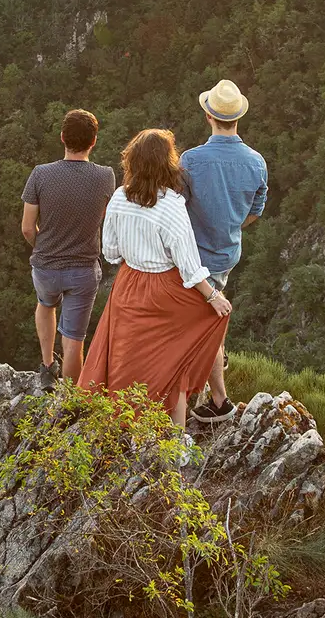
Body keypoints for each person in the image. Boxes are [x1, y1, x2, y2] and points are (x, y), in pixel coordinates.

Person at [79, 128, 233, 426]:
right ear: (168, 164)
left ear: (132, 162)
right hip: (165, 291)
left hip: (127, 286)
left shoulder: (119, 199)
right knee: (172, 364)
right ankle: (175, 444)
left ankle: (122, 427)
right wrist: (213, 296)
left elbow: (111, 252)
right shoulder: (172, 205)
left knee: (126, 364)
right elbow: (188, 264)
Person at [179, 79, 268, 425]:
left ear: (208, 116)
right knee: (211, 321)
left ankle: (219, 401)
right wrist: (232, 227)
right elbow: (257, 210)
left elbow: (175, 210)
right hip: (227, 254)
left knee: (202, 329)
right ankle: (211, 389)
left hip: (194, 259)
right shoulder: (256, 162)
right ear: (238, 118)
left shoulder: (191, 160)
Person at [21, 109, 116, 388]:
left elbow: (27, 227)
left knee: (45, 304)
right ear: (94, 141)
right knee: (74, 338)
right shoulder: (105, 177)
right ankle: (72, 400)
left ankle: (48, 367)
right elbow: (107, 221)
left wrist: (45, 247)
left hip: (46, 266)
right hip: (84, 269)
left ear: (62, 138)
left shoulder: (40, 174)